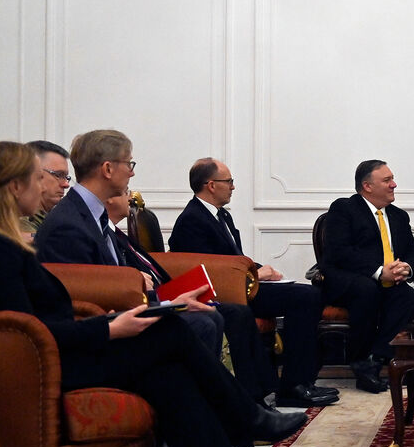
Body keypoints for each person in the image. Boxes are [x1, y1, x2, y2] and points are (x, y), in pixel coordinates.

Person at [0, 141, 307, 447]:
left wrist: (113, 323)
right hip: (35, 371)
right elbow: (19, 333)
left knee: (169, 376)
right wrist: (109, 328)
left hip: (51, 354)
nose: (49, 188)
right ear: (15, 187)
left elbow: (33, 324)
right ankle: (246, 417)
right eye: (38, 179)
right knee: (167, 330)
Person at [32, 130, 259, 403]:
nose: (132, 173)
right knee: (201, 322)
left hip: (125, 309)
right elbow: (83, 295)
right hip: (102, 330)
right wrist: (158, 302)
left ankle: (234, 410)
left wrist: (167, 299)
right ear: (107, 168)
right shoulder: (68, 223)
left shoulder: (91, 214)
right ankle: (233, 411)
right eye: (129, 164)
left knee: (207, 316)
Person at [104, 186, 291, 410]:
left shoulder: (117, 234)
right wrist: (135, 279)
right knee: (223, 315)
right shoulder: (191, 219)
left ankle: (258, 397)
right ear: (109, 200)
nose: (130, 195)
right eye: (124, 192)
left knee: (237, 312)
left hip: (164, 291)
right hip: (146, 301)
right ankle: (246, 403)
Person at [168, 158, 334, 408]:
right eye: (229, 181)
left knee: (305, 294)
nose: (233, 187)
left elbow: (231, 259)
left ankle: (299, 382)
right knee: (305, 297)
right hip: (224, 294)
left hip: (239, 286)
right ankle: (293, 387)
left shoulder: (219, 215)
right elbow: (208, 269)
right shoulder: (192, 220)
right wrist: (256, 275)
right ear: (211, 185)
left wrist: (257, 270)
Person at [317, 159, 414, 393]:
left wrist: (406, 267)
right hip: (348, 279)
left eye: (392, 179)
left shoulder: (398, 216)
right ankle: (359, 359)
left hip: (386, 281)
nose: (394, 184)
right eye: (387, 180)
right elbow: (340, 252)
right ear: (367, 186)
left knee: (407, 297)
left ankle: (373, 360)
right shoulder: (344, 209)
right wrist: (379, 270)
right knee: (367, 289)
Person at [20, 140, 71, 234]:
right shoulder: (18, 222)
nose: (66, 184)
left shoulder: (58, 219)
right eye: (58, 175)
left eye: (66, 177)